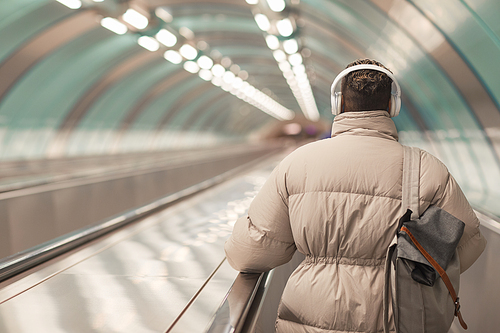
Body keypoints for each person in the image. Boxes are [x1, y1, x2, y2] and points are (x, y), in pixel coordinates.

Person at [224, 58, 486, 332]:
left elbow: (252, 251)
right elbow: (469, 244)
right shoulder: (426, 168)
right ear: (392, 106)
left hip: (310, 320)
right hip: (396, 319)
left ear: (338, 104)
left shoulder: (298, 163)